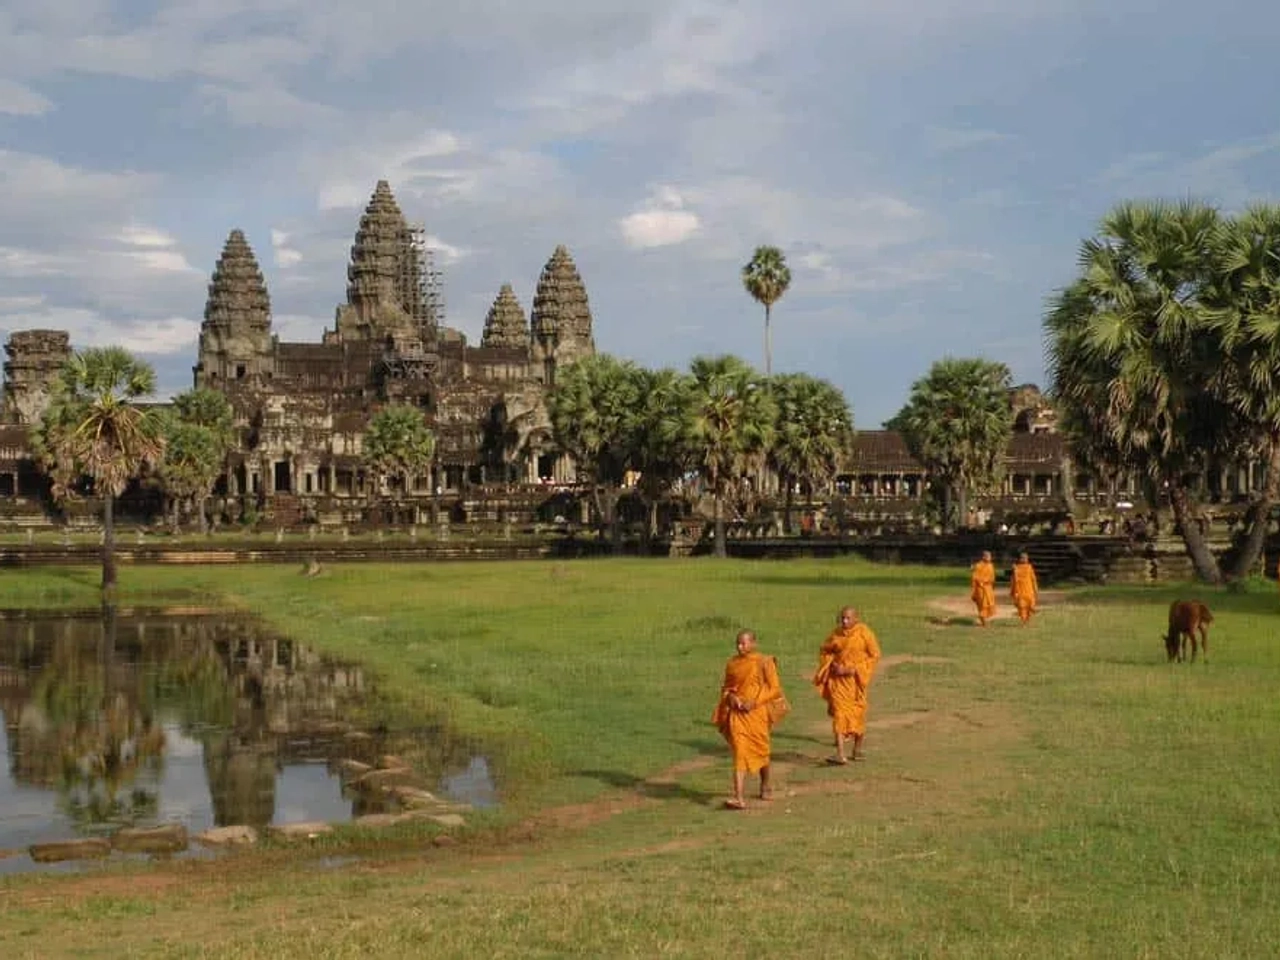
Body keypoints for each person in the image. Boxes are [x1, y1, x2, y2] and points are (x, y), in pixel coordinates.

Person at [711, 629, 783, 810]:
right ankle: (738, 797)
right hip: (738, 715)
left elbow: (775, 690)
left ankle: (765, 784)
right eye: (738, 643)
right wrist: (731, 698)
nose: (740, 647)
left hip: (757, 714)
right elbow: (726, 688)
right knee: (740, 752)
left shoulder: (764, 662)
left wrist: (755, 702)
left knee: (761, 750)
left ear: (754, 644)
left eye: (744, 643)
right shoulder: (732, 664)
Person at [813, 606, 882, 764]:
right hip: (838, 683)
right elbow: (825, 650)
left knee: (858, 713)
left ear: (856, 619)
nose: (844, 621)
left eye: (848, 618)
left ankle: (857, 750)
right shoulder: (836, 634)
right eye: (842, 618)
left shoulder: (864, 633)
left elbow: (875, 655)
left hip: (856, 681)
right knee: (840, 713)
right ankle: (840, 753)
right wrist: (832, 665)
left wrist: (853, 669)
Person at [1009, 551, 1039, 624]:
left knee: (1030, 605)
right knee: (1022, 606)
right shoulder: (1017, 567)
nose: (1024, 559)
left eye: (1026, 558)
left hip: (1029, 590)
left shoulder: (1029, 567)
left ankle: (1027, 618)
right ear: (1019, 559)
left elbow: (1033, 579)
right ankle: (1024, 621)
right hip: (1020, 590)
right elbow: (1014, 579)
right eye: (1022, 558)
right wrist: (1014, 570)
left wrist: (1035, 588)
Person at [970, 550, 997, 626]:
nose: (990, 558)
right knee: (982, 605)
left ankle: (983, 621)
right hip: (980, 588)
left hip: (988, 588)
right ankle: (984, 622)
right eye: (988, 556)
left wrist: (992, 585)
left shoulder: (991, 565)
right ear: (983, 557)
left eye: (990, 556)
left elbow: (992, 577)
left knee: (989, 604)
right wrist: (974, 588)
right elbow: (974, 577)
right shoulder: (978, 565)